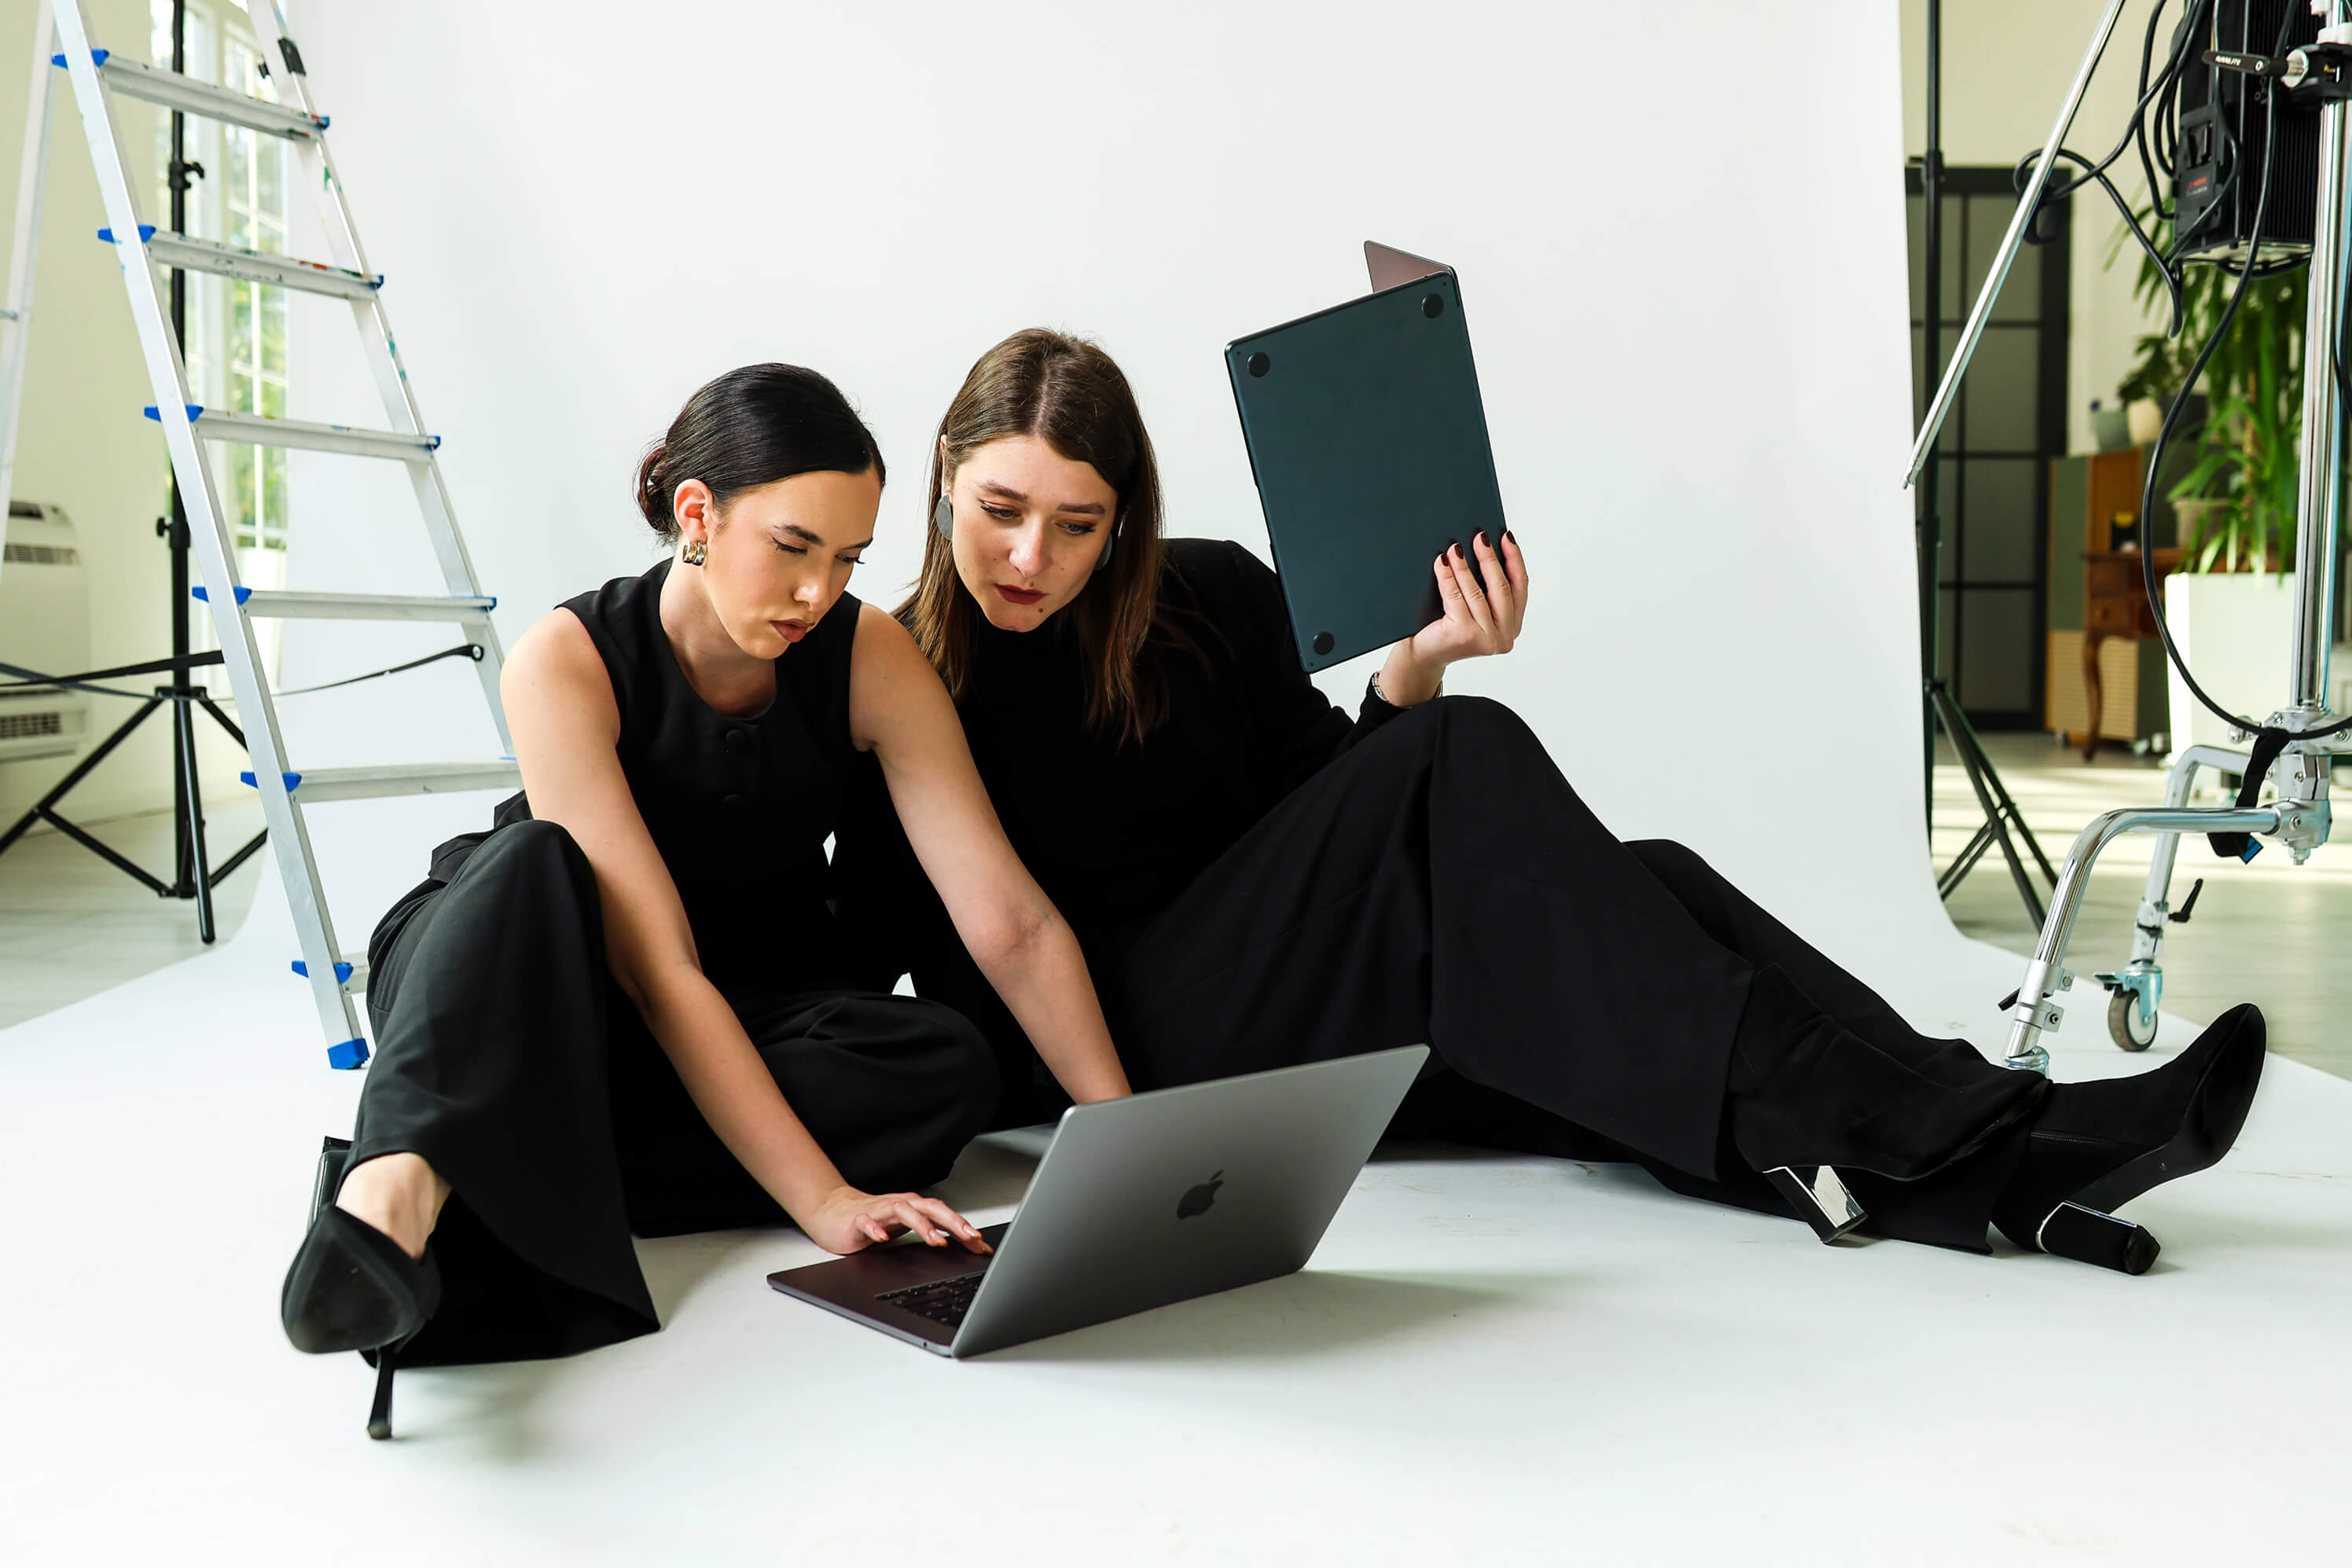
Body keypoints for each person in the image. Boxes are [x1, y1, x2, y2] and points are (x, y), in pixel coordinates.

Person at [834, 327, 2267, 1280]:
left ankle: (1989, 1162)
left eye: (1077, 524)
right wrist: (1117, 1144)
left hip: (1290, 1001)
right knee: (1466, 771)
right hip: (1123, 1054)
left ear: (1126, 518)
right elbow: (942, 962)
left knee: (1654, 884)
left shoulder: (1207, 596)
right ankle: (1994, 1130)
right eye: (1000, 509)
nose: (1031, 555)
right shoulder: (899, 681)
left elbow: (1337, 807)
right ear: (945, 479)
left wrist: (1423, 662)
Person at [279, 364, 1131, 1438]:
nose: (819, 591)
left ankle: (504, 1156)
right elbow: (654, 967)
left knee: (946, 1065)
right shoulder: (565, 659)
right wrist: (822, 1201)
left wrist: (1125, 1137)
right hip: (520, 976)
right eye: (792, 546)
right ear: (698, 514)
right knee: (541, 860)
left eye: (847, 558)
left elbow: (1006, 915)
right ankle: (392, 1190)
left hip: (711, 1011)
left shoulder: (867, 652)